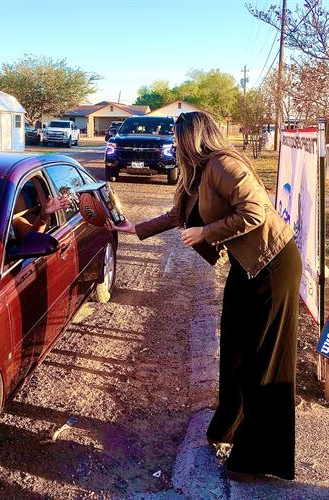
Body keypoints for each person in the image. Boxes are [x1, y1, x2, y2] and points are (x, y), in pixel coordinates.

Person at [106, 111, 301, 482]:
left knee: (263, 359)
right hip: (247, 266)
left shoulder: (224, 165)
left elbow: (254, 212)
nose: (173, 143)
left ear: (192, 138)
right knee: (235, 349)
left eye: (176, 137)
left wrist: (206, 232)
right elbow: (178, 214)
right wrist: (135, 228)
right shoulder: (196, 172)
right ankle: (228, 426)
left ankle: (258, 459)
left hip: (273, 264)